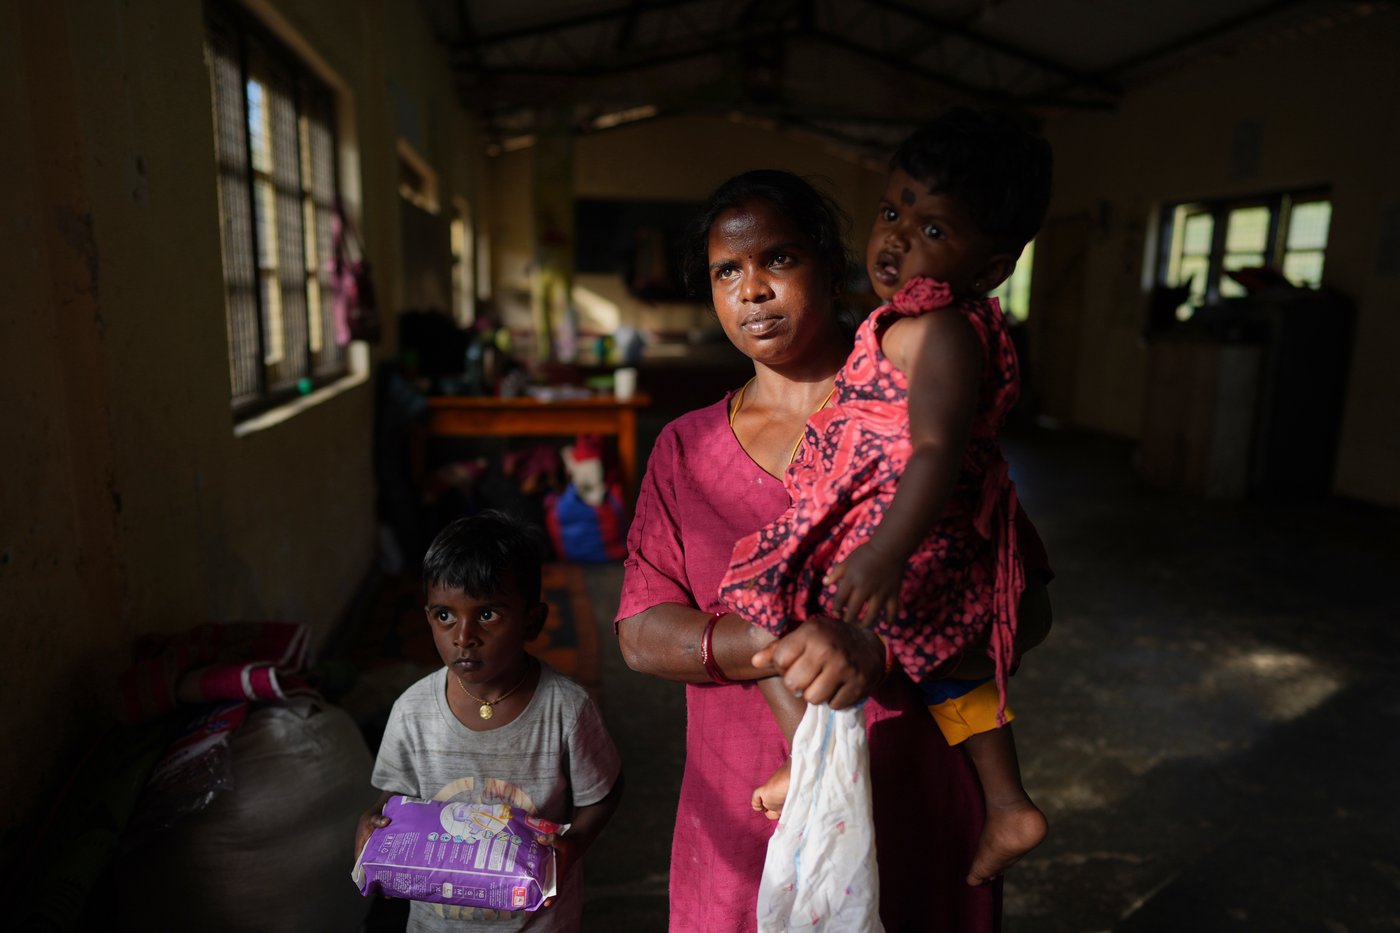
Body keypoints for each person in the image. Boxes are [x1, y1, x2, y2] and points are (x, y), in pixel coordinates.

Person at [616, 168, 1049, 931]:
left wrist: (875, 647)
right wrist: (767, 643)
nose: (751, 290)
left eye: (778, 259)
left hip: (916, 804)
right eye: (727, 271)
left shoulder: (914, 398)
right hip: (744, 812)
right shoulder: (685, 450)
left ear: (826, 262)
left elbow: (1028, 603)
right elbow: (642, 631)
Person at [720, 107, 1055, 888]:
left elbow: (936, 449)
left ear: (993, 265)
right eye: (894, 210)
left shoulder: (941, 329)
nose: (898, 239)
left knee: (756, 595)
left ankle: (813, 765)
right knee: (947, 665)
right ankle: (1008, 804)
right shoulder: (905, 320)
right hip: (907, 535)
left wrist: (885, 551)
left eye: (933, 230)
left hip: (910, 536)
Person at [354, 511, 624, 932]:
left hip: (536, 920)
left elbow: (604, 792)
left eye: (487, 615)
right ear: (428, 618)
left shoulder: (566, 709)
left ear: (532, 621)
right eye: (445, 616)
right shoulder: (412, 710)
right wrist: (373, 818)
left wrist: (572, 846)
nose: (463, 636)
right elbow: (396, 795)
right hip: (437, 922)